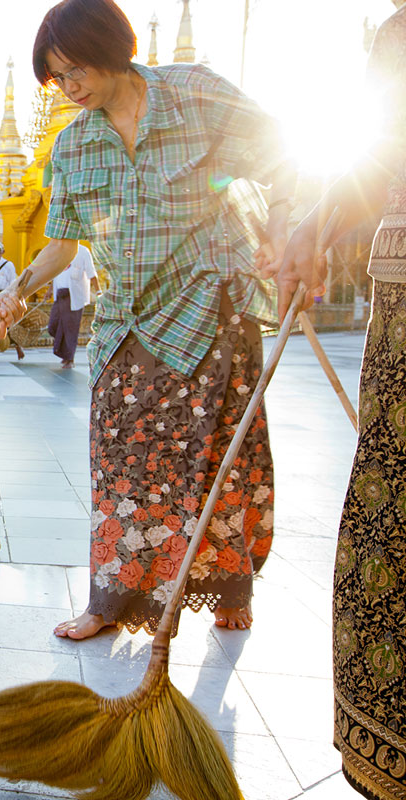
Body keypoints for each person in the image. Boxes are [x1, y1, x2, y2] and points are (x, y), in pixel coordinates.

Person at [0, 0, 294, 637]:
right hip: (127, 321)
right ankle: (110, 602)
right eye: (58, 79)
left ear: (113, 49)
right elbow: (65, 241)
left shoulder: (196, 94)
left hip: (206, 309)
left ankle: (228, 586)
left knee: (217, 460)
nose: (70, 89)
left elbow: (281, 158)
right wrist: (17, 288)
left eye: (77, 72)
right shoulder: (73, 144)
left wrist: (283, 234)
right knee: (121, 467)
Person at [276, 6, 406, 797]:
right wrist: (314, 228)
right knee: (387, 530)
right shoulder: (397, 36)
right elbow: (382, 149)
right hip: (396, 305)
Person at [47, 243, 97, 368]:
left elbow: (91, 272)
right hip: (59, 294)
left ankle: (70, 359)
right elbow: (54, 271)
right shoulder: (60, 250)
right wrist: (49, 291)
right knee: (53, 325)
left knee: (70, 328)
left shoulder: (83, 251)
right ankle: (64, 352)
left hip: (74, 295)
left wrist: (99, 292)